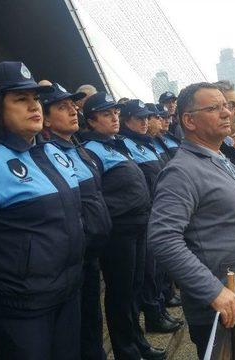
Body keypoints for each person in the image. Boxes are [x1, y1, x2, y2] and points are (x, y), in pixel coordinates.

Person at [0, 62, 85, 359]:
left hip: (67, 292)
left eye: (35, 99)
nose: (34, 106)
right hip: (19, 308)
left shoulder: (51, 153)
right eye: (21, 100)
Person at [148, 82, 235, 360]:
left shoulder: (222, 158)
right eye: (214, 108)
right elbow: (163, 238)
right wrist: (212, 290)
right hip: (225, 310)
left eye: (226, 106)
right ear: (189, 121)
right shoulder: (181, 172)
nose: (226, 113)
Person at [80, 92, 164, 360]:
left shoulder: (114, 144)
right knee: (120, 292)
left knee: (135, 288)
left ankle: (137, 341)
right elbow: (95, 195)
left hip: (137, 225)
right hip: (119, 231)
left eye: (115, 113)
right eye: (107, 114)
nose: (114, 118)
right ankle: (125, 350)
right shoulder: (90, 149)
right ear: (91, 121)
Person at [40, 83, 112, 360]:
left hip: (91, 250)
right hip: (73, 254)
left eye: (73, 106)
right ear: (46, 118)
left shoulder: (76, 146)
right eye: (62, 107)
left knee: (92, 318)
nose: (73, 111)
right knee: (76, 326)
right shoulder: (45, 153)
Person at [118, 99, 182, 335]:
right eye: (141, 118)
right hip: (144, 214)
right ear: (126, 120)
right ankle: (154, 314)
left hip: (159, 211)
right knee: (147, 272)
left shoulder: (148, 143)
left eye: (148, 118)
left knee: (157, 267)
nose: (147, 122)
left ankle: (160, 308)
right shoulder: (125, 145)